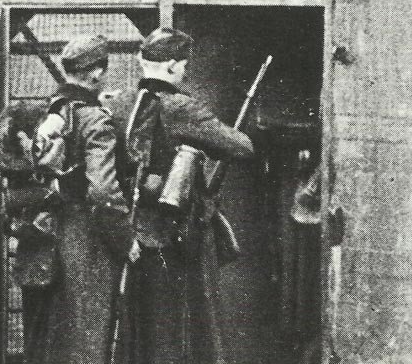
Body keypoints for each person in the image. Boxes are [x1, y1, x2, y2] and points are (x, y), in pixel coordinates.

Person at [108, 27, 255, 364]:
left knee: (140, 327)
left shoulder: (119, 105)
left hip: (131, 234)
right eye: (184, 65)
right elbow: (242, 147)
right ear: (172, 66)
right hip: (175, 237)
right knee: (180, 326)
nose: (186, 72)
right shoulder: (180, 107)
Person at [29, 34, 139, 364]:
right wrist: (124, 239)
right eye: (103, 71)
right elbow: (103, 191)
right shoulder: (94, 119)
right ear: (95, 73)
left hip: (59, 232)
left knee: (64, 333)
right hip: (92, 238)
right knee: (93, 334)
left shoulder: (56, 112)